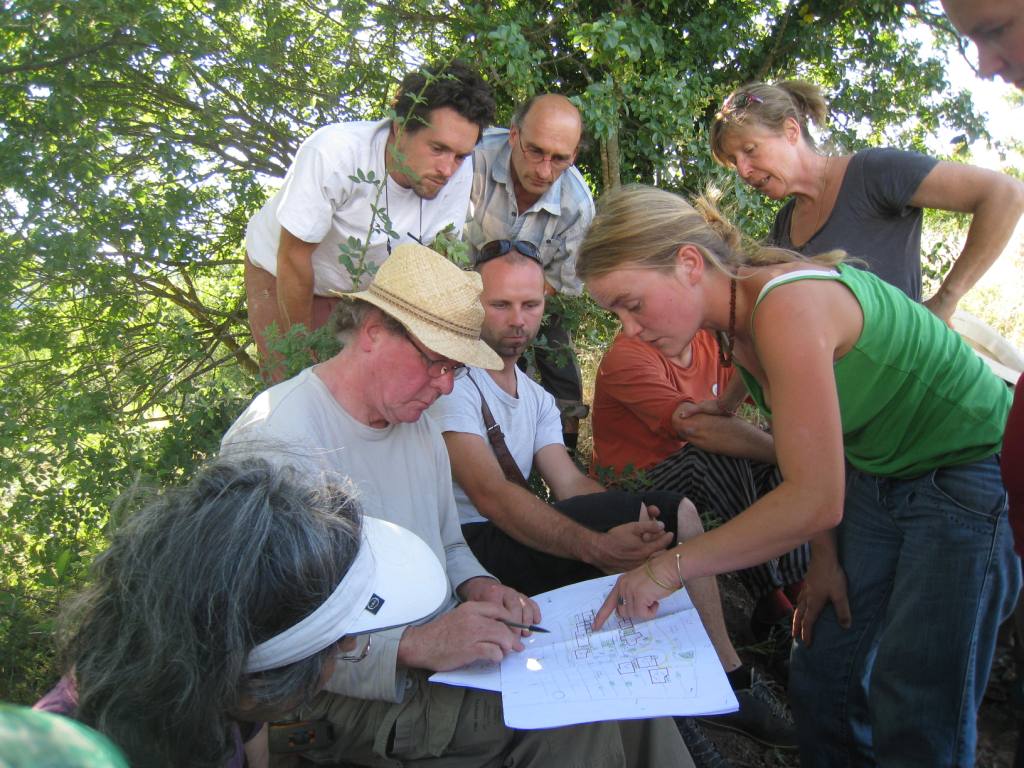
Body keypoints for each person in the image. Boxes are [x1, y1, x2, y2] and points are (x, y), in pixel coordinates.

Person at [579, 184, 1020, 767]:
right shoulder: (736, 322)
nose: (628, 328)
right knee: (822, 661)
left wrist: (667, 569)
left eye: (631, 303)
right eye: (614, 313)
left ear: (688, 263)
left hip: (965, 474)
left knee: (916, 693)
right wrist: (824, 559)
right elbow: (807, 460)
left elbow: (814, 497)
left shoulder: (784, 307)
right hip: (877, 473)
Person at [221, 243, 693, 767]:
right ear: (374, 333)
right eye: (436, 362)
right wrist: (413, 644)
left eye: (455, 367)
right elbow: (258, 642)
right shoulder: (277, 442)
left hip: (442, 659)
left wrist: (483, 586)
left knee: (631, 688)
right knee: (581, 718)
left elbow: (446, 542)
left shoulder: (417, 426)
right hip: (347, 696)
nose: (446, 384)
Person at [429, 239, 796, 751]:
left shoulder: (533, 396)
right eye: (501, 304)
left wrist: (632, 522)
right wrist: (593, 543)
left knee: (657, 528)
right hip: (469, 552)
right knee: (673, 516)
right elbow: (489, 494)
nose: (518, 319)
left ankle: (695, 693)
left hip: (511, 534)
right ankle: (723, 686)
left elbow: (570, 482)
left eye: (530, 305)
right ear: (475, 304)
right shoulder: (454, 384)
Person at [34, 458, 448, 768]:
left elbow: (253, 742)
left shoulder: (213, 680)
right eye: (338, 644)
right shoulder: (74, 754)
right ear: (263, 679)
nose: (352, 644)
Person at [245, 61, 495, 372]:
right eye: (437, 148)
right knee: (297, 380)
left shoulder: (458, 171)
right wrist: (304, 355)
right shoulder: (334, 152)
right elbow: (293, 259)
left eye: (460, 155)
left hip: (361, 288)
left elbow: (432, 262)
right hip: (282, 270)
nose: (448, 169)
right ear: (399, 127)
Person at [708, 79, 1024, 324]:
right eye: (735, 163)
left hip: (907, 385)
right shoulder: (784, 224)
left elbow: (1005, 194)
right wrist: (726, 404)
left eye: (749, 150)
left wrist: (945, 300)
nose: (744, 171)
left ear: (791, 131)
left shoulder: (873, 172)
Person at [591, 330, 808, 638]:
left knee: (771, 461)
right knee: (719, 453)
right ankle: (770, 600)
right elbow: (695, 428)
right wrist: (790, 454)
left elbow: (767, 385)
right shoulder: (628, 355)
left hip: (690, 471)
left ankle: (799, 585)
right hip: (632, 488)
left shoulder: (707, 342)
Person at [464, 94, 595, 451]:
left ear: (574, 156)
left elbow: (561, 283)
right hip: (460, 285)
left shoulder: (578, 206)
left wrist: (514, 308)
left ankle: (562, 449)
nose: (543, 171)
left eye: (559, 159)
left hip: (539, 293)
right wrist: (482, 310)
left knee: (557, 354)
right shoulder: (470, 158)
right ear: (512, 135)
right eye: (534, 151)